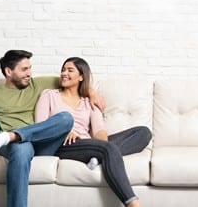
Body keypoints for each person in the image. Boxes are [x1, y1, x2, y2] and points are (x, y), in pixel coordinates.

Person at [0, 50, 104, 207]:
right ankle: (11, 138)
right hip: (15, 146)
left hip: (41, 143)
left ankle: (12, 135)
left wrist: (92, 92)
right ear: (8, 72)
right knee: (22, 149)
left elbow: (74, 80)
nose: (29, 73)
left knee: (66, 118)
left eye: (30, 68)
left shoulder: (37, 84)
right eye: (24, 69)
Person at [35, 57, 152, 207]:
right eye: (63, 69)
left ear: (81, 76)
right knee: (108, 148)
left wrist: (101, 145)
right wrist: (64, 132)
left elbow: (99, 130)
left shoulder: (89, 101)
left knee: (143, 133)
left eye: (70, 70)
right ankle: (133, 203)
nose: (64, 73)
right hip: (63, 144)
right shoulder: (49, 95)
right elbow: (41, 126)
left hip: (88, 143)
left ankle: (98, 156)